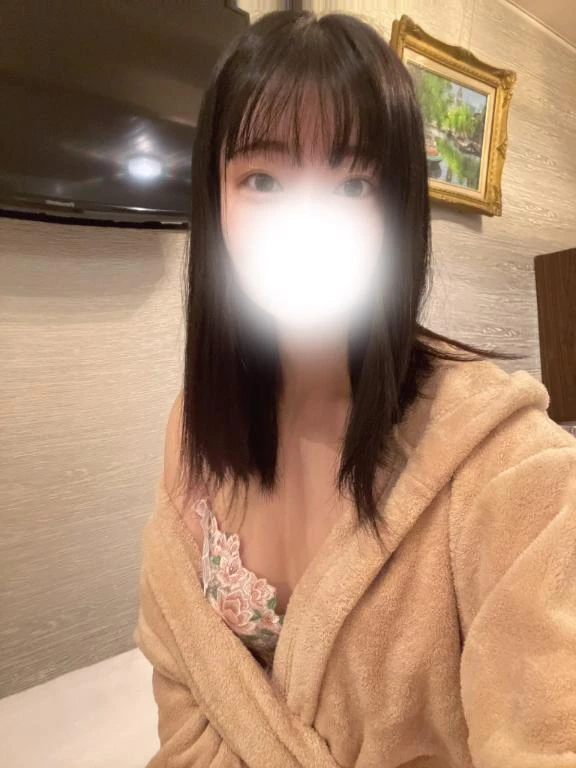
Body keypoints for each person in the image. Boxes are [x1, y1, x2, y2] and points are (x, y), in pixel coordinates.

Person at [134, 10, 576, 768]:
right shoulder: (194, 428)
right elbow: (182, 698)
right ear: (216, 203)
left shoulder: (506, 466)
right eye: (263, 179)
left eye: (352, 183)